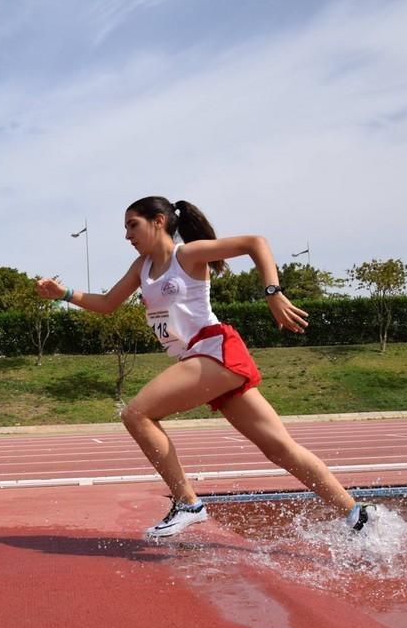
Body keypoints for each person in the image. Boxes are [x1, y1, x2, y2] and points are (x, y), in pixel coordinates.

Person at [36, 196, 374, 537]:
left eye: (132, 225)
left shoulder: (187, 255)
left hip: (214, 351)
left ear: (158, 221)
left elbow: (255, 243)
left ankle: (187, 504)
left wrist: (272, 292)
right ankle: (356, 514)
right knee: (279, 448)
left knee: (136, 413)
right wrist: (63, 294)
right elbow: (108, 303)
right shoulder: (141, 268)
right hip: (204, 361)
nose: (127, 235)